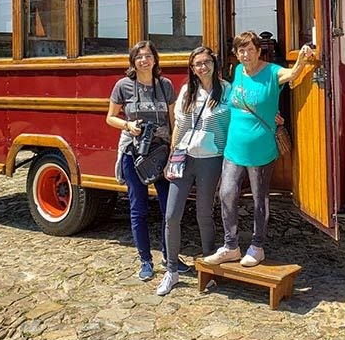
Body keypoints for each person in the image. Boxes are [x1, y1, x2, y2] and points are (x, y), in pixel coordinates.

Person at [204, 31, 315, 268]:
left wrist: (303, 59)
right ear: (236, 54)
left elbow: (294, 74)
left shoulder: (272, 72)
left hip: (261, 149)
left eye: (250, 49)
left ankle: (257, 246)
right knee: (226, 193)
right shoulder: (237, 72)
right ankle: (231, 246)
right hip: (233, 147)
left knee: (259, 199)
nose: (246, 54)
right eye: (241, 50)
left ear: (258, 51)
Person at [106, 40, 189, 281]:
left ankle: (169, 257)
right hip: (133, 154)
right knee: (138, 208)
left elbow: (174, 120)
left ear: (155, 59)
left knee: (169, 209)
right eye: (139, 56)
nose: (144, 60)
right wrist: (128, 125)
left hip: (162, 154)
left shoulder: (165, 86)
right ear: (133, 61)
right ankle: (145, 260)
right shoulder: (123, 86)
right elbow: (110, 118)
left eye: (148, 56)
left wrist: (174, 150)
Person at [156, 46, 231, 296]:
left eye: (206, 62)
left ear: (214, 63)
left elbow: (236, 125)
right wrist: (170, 158)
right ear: (192, 68)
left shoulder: (227, 90)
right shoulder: (188, 91)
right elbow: (178, 125)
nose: (202, 67)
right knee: (171, 215)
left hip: (211, 160)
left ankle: (208, 268)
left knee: (204, 215)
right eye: (197, 63)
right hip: (183, 159)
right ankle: (172, 271)